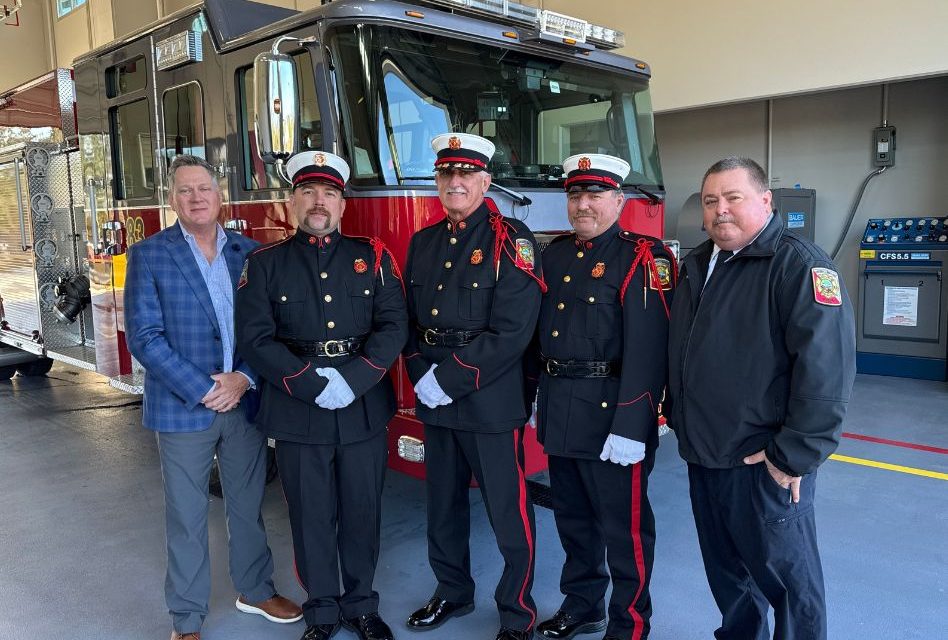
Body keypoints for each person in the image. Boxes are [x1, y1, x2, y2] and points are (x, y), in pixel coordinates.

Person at [667, 157, 856, 640]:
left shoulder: (798, 265)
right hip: (705, 455)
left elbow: (826, 373)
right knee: (729, 577)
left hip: (763, 461)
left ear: (766, 201)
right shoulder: (698, 264)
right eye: (711, 201)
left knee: (790, 583)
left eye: (734, 198)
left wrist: (792, 457)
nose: (720, 210)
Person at [124, 154, 302, 640]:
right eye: (185, 190)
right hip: (184, 408)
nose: (196, 198)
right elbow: (144, 336)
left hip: (243, 402)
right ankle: (186, 619)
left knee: (248, 505)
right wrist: (205, 388)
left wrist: (243, 378)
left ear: (220, 194)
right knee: (185, 516)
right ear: (172, 198)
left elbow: (265, 331)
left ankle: (256, 589)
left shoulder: (249, 253)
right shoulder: (150, 254)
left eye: (203, 188)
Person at [235, 151, 407, 640]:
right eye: (308, 192)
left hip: (362, 404)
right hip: (297, 408)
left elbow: (394, 324)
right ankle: (324, 611)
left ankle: (362, 606)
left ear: (342, 205)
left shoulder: (372, 257)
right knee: (310, 514)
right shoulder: (264, 264)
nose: (319, 202)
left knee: (362, 510)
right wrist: (310, 382)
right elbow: (255, 337)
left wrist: (356, 378)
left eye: (329, 193)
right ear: (291, 202)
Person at [402, 133, 545, 640]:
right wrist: (421, 373)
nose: (455, 183)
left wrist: (451, 377)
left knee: (508, 511)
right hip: (435, 397)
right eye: (446, 174)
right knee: (442, 505)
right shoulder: (424, 242)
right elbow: (408, 322)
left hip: (488, 396)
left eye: (466, 174)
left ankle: (517, 612)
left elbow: (514, 330)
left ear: (486, 181)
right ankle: (452, 592)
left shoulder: (513, 239)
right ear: (438, 182)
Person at [527, 154, 675, 640]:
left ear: (619, 199)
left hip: (615, 418)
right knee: (573, 521)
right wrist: (535, 402)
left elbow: (650, 350)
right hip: (562, 411)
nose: (583, 205)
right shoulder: (555, 255)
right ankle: (583, 603)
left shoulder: (643, 257)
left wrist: (634, 425)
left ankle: (630, 624)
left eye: (594, 195)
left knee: (625, 531)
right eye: (575, 196)